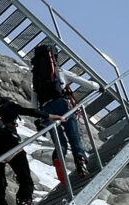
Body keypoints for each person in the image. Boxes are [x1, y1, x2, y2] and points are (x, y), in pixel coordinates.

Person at [30, 41, 90, 187]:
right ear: (54, 57)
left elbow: (33, 102)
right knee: (73, 134)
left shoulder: (36, 77)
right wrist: (99, 87)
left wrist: (39, 117)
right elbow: (87, 84)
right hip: (62, 104)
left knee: (59, 141)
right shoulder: (59, 71)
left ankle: (59, 159)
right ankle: (80, 161)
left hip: (46, 110)